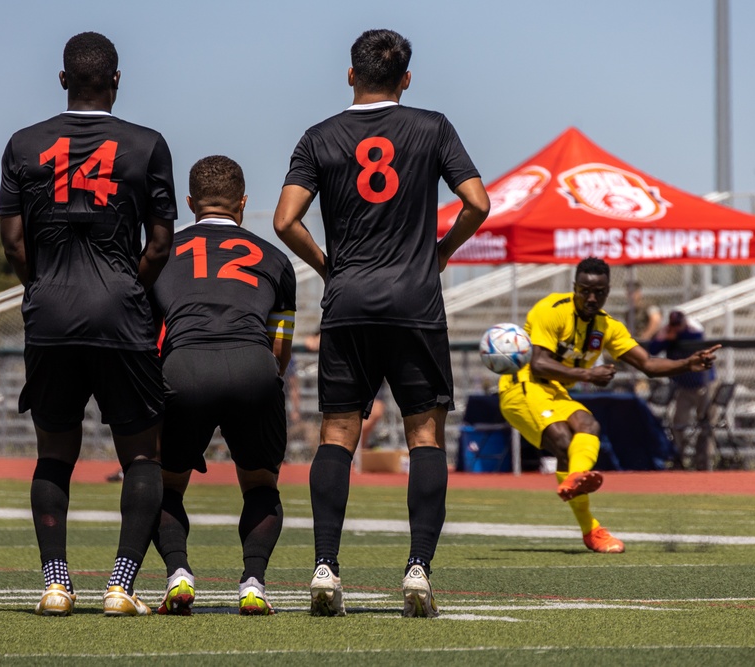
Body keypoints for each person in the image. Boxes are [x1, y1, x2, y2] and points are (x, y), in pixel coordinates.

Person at [273, 28, 490, 617]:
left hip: (349, 303)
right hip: (416, 302)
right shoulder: (432, 127)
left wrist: (328, 264)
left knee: (337, 436)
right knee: (424, 437)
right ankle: (418, 569)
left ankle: (324, 565)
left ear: (350, 75)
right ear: (407, 79)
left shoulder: (319, 137)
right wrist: (440, 253)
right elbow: (479, 203)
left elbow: (285, 219)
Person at [0, 32, 175, 617]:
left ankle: (55, 584)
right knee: (142, 457)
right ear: (117, 81)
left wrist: (44, 290)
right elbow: (160, 243)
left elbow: (14, 243)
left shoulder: (22, 144)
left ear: (62, 79)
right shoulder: (148, 145)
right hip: (120, 313)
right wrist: (127, 291)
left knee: (54, 453)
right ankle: (121, 585)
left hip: (49, 312)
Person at [149, 156, 296, 617]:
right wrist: (265, 382)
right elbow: (282, 346)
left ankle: (178, 573)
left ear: (189, 203)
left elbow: (144, 336)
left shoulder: (159, 252)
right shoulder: (274, 257)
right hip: (254, 365)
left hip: (183, 367)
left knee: (164, 486)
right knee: (260, 486)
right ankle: (253, 582)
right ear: (243, 203)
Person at [498, 258, 721, 553]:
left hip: (552, 390)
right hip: (520, 387)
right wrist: (588, 374)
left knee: (590, 426)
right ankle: (591, 528)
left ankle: (579, 492)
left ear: (607, 292)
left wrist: (687, 363)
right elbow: (538, 364)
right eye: (585, 290)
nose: (591, 298)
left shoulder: (607, 326)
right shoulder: (551, 310)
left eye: (599, 292)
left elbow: (648, 364)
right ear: (574, 287)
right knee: (563, 440)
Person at [648, 310, 716, 470]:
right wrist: (663, 337)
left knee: (706, 424)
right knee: (678, 423)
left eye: (678, 325)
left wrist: (675, 337)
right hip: (684, 388)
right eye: (674, 325)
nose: (676, 328)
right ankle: (679, 459)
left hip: (704, 385)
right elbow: (652, 349)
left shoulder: (693, 329)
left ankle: (704, 462)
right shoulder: (669, 333)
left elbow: (698, 340)